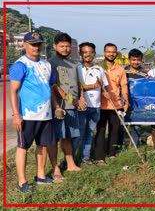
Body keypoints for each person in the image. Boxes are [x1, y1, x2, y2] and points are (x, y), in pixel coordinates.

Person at [9, 32, 61, 192]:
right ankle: (22, 182)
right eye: (32, 44)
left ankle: (40, 176)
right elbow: (13, 91)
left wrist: (56, 106)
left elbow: (50, 89)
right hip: (27, 115)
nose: (36, 47)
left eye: (38, 44)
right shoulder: (20, 65)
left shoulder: (46, 65)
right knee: (23, 147)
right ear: (25, 45)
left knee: (43, 145)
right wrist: (16, 114)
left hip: (45, 114)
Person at [47, 33, 87, 180]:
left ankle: (70, 164)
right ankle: (55, 168)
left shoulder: (73, 63)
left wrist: (81, 97)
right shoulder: (51, 63)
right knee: (55, 138)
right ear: (55, 46)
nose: (65, 48)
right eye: (62, 46)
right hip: (59, 107)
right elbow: (54, 86)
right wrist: (73, 100)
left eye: (67, 46)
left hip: (72, 106)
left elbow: (79, 83)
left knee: (68, 137)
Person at [72, 42, 109, 165]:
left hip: (96, 106)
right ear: (80, 54)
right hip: (81, 106)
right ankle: (70, 160)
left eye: (91, 52)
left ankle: (85, 157)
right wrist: (94, 86)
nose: (88, 55)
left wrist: (106, 93)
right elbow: (78, 87)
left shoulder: (99, 69)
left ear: (94, 53)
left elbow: (104, 87)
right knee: (79, 133)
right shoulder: (77, 69)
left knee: (89, 133)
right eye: (85, 52)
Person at [95, 43, 129, 164]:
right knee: (101, 130)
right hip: (100, 104)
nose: (111, 54)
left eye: (113, 52)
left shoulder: (120, 69)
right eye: (108, 52)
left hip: (115, 104)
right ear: (104, 53)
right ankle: (99, 156)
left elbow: (124, 86)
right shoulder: (97, 67)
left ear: (116, 53)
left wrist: (127, 102)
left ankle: (112, 153)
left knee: (114, 130)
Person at [125, 49, 147, 147]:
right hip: (123, 103)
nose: (136, 62)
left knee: (136, 126)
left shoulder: (144, 74)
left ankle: (134, 146)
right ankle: (119, 146)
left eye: (138, 60)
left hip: (138, 105)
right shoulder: (123, 71)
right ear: (129, 60)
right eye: (133, 60)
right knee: (122, 126)